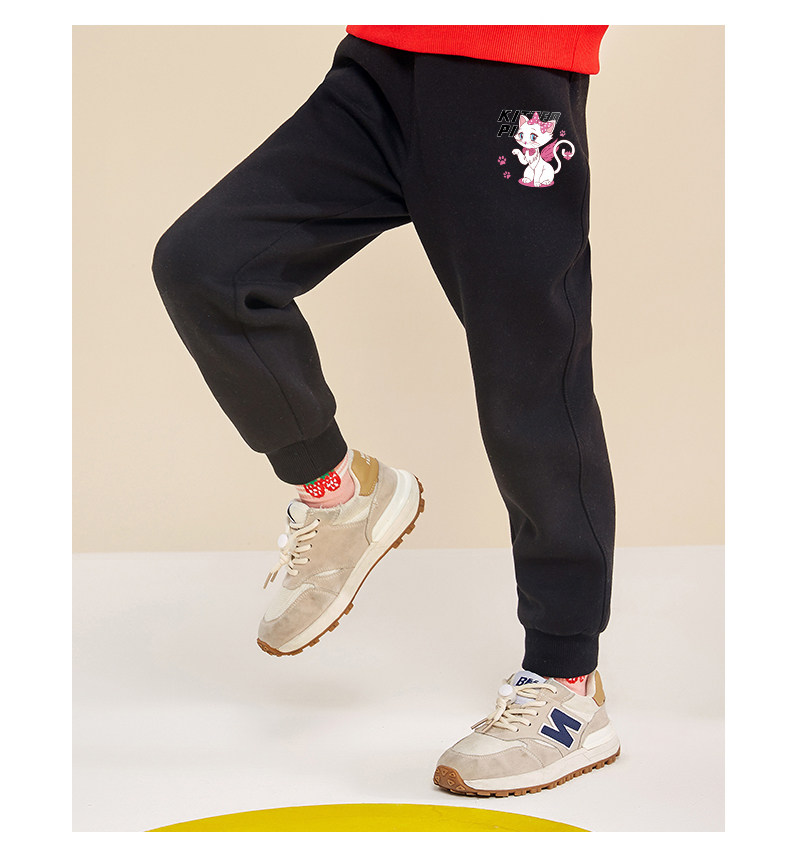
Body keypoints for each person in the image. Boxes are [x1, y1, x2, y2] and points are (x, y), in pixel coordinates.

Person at [151, 24, 620, 797]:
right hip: (381, 64)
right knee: (206, 264)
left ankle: (568, 682)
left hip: (512, 73)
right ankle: (339, 492)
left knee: (533, 379)